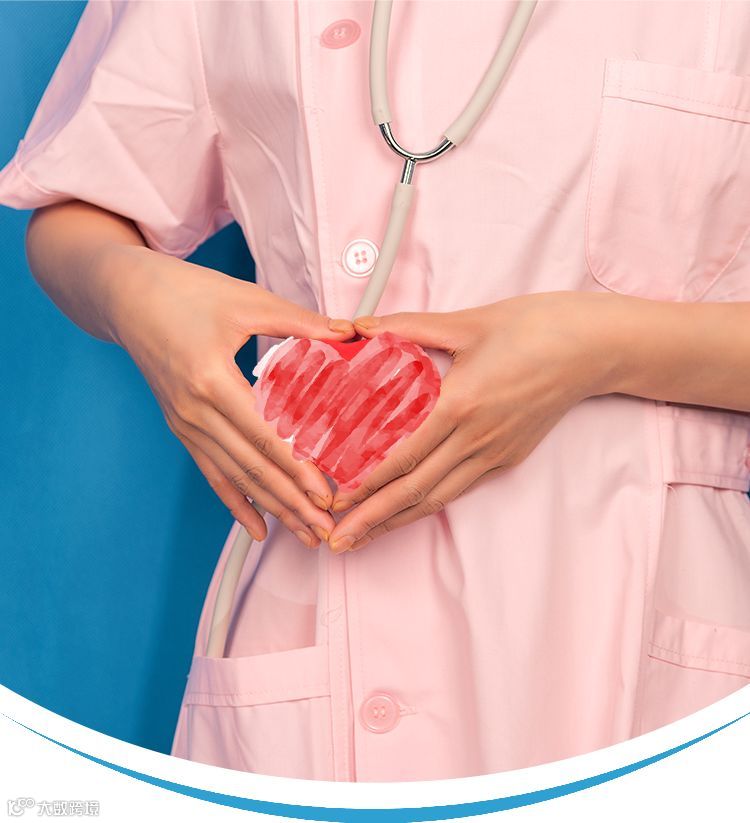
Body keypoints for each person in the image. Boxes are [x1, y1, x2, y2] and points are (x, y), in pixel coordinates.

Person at [1, 0, 749, 783]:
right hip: (318, 572)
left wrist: (599, 347)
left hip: (635, 604)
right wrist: (136, 297)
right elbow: (80, 208)